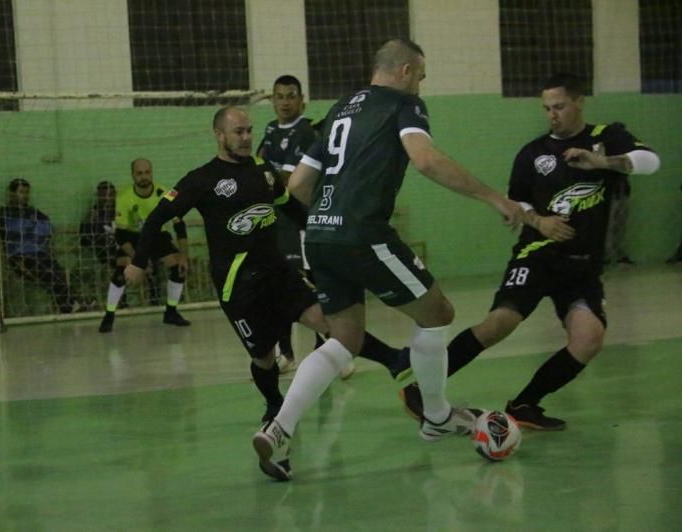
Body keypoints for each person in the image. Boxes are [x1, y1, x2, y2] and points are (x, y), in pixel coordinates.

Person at [252, 38, 524, 481]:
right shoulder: (403, 104)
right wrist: (494, 198)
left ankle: (279, 428)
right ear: (404, 72)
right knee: (437, 312)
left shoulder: (341, 108)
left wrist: (327, 216)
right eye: (420, 76)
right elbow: (426, 160)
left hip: (317, 235)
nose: (420, 85)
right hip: (362, 233)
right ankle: (436, 416)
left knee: (344, 336)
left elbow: (299, 183)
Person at [400, 73, 661, 431]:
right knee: (498, 324)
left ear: (579, 101)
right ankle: (421, 389)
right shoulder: (533, 152)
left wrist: (602, 163)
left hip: (583, 266)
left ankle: (524, 405)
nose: (552, 114)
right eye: (547, 108)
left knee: (589, 339)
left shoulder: (607, 138)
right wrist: (540, 222)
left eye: (559, 106)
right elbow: (517, 202)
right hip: (537, 256)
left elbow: (650, 161)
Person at [125, 106, 409, 430]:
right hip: (238, 286)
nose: (247, 138)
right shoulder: (201, 180)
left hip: (278, 273)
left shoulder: (264, 170)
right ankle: (274, 404)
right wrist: (138, 261)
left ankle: (395, 360)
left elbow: (290, 208)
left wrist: (327, 231)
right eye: (239, 132)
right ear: (219, 135)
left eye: (249, 130)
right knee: (263, 356)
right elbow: (156, 219)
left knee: (327, 321)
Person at [257, 74, 340, 375]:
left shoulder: (306, 132)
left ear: (301, 99)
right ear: (273, 100)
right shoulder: (268, 130)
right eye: (279, 96)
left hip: (303, 220)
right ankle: (287, 353)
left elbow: (287, 181)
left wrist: (266, 176)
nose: (285, 102)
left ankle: (330, 353)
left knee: (311, 286)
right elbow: (261, 168)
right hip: (277, 222)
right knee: (280, 285)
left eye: (291, 96)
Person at [98, 159, 191, 332]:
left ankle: (171, 312)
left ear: (152, 173)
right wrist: (137, 260)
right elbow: (121, 234)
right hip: (133, 238)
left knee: (179, 266)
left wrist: (184, 255)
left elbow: (180, 226)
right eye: (139, 173)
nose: (144, 177)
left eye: (147, 172)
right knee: (122, 270)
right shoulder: (124, 197)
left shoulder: (167, 193)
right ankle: (109, 315)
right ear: (133, 175)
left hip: (158, 236)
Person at [0, 178, 88, 314]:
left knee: (57, 271)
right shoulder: (3, 213)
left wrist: (27, 228)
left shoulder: (33, 211)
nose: (25, 195)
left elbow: (48, 228)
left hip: (39, 254)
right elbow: (12, 232)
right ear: (11, 193)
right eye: (21, 192)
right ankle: (73, 302)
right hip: (18, 257)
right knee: (51, 273)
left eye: (27, 192)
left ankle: (69, 306)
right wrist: (31, 227)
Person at [604, 138, 635, 265]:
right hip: (611, 194)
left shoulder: (627, 155)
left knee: (620, 225)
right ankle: (605, 255)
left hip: (622, 192)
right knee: (609, 225)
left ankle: (619, 252)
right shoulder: (606, 156)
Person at [79, 180, 119, 267]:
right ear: (98, 196)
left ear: (115, 195)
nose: (106, 198)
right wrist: (90, 220)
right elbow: (84, 240)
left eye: (110, 195)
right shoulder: (94, 214)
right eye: (103, 195)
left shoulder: (122, 210)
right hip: (105, 255)